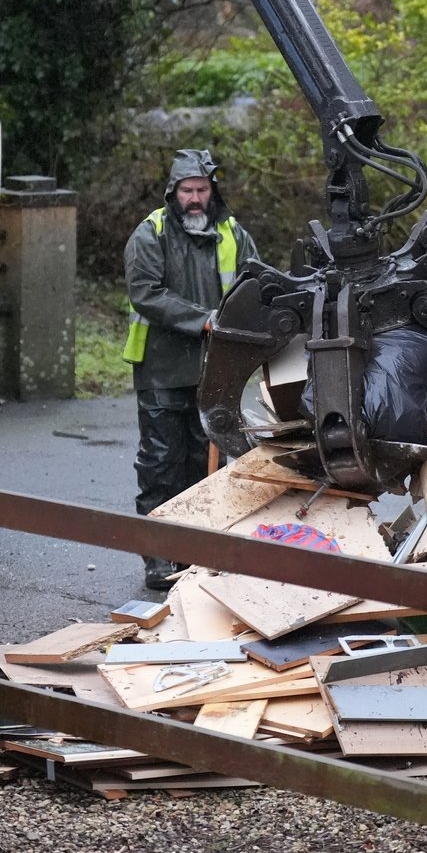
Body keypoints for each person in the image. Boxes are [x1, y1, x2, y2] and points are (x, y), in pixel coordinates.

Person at [123, 149, 260, 591]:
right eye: (188, 191)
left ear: (212, 191)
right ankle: (159, 558)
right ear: (173, 193)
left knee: (210, 465)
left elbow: (255, 285)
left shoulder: (233, 233)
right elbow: (145, 291)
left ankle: (203, 552)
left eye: (202, 190)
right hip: (161, 369)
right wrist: (202, 319)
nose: (196, 198)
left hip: (215, 369)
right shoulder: (151, 233)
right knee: (161, 465)